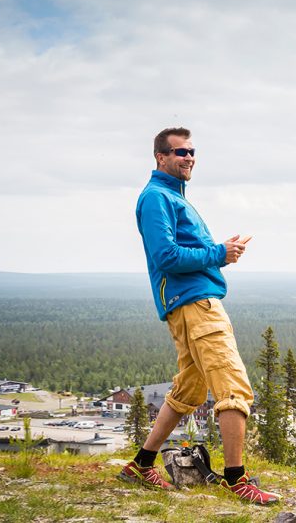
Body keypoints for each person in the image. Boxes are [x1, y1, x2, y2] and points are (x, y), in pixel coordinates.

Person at [118, 127, 279, 505]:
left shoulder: (172, 196)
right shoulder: (157, 197)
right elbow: (167, 257)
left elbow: (183, 251)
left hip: (190, 303)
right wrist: (218, 254)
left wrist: (221, 251)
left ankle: (141, 465)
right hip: (195, 304)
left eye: (192, 152)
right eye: (180, 152)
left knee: (189, 389)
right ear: (160, 157)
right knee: (234, 387)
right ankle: (236, 479)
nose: (188, 157)